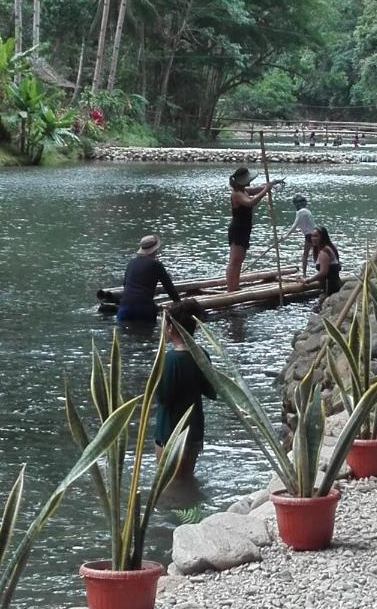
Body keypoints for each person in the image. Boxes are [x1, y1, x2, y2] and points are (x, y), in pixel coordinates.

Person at [154, 299, 216, 477]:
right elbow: (211, 390)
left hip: (169, 432)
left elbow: (163, 397)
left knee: (167, 485)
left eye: (164, 325)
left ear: (171, 328)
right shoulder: (202, 355)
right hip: (194, 430)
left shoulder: (169, 360)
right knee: (187, 480)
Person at [226, 166, 283, 291]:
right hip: (237, 229)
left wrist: (271, 183)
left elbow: (258, 188)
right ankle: (231, 288)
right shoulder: (236, 194)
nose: (249, 182)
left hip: (245, 229)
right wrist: (265, 191)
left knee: (240, 258)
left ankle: (235, 285)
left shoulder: (245, 190)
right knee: (234, 260)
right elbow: (250, 202)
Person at [117, 234, 180, 323]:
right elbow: (169, 287)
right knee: (146, 333)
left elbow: (125, 284)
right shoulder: (156, 264)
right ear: (155, 250)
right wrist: (179, 304)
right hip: (144, 308)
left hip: (125, 306)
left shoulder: (131, 262)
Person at [301, 226, 341, 297]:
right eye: (312, 236)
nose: (313, 238)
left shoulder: (324, 252)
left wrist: (308, 280)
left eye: (316, 236)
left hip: (330, 286)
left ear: (322, 237)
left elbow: (323, 272)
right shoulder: (328, 248)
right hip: (333, 284)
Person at [282, 194, 315, 277]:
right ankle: (319, 270)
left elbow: (294, 225)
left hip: (309, 235)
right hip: (314, 234)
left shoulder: (300, 212)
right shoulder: (307, 211)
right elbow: (305, 224)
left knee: (305, 256)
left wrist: (286, 236)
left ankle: (304, 274)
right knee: (315, 254)